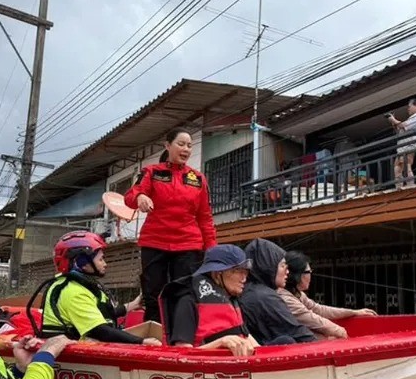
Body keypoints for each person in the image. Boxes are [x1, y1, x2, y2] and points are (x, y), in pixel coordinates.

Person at [124, 127, 217, 322]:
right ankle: (153, 334)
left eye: (189, 146)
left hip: (189, 244)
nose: (186, 149)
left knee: (184, 294)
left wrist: (212, 251)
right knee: (152, 294)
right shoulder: (151, 172)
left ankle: (181, 335)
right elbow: (130, 197)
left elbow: (205, 218)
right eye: (181, 144)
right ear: (167, 145)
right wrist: (140, 196)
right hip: (154, 241)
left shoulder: (198, 179)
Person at [36, 231, 161, 346]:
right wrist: (141, 341)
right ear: (82, 263)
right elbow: (100, 331)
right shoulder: (73, 292)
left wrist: (133, 305)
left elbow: (102, 312)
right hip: (65, 353)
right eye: (101, 259)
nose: (105, 264)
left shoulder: (79, 285)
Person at [166, 244, 259, 356]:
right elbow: (181, 353)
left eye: (245, 271)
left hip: (234, 364)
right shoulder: (188, 301)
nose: (244, 278)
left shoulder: (231, 300)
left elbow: (249, 339)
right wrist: (221, 342)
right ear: (217, 273)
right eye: (238, 270)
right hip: (205, 366)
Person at [279, 251, 377, 339]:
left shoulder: (297, 293)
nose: (310, 275)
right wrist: (340, 331)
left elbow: (319, 309)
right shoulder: (285, 298)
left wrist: (354, 312)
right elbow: (313, 319)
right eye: (308, 272)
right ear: (297, 275)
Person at [239, 238, 317, 345]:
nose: (287, 271)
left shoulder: (248, 291)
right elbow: (298, 333)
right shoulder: (265, 297)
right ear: (268, 267)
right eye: (282, 266)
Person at [387, 98, 416, 189]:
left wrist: (393, 119)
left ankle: (410, 186)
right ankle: (399, 187)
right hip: (402, 145)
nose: (408, 109)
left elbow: (403, 125)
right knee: (397, 167)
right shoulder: (411, 118)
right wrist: (393, 122)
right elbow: (399, 129)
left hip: (409, 145)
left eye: (409, 106)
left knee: (406, 165)